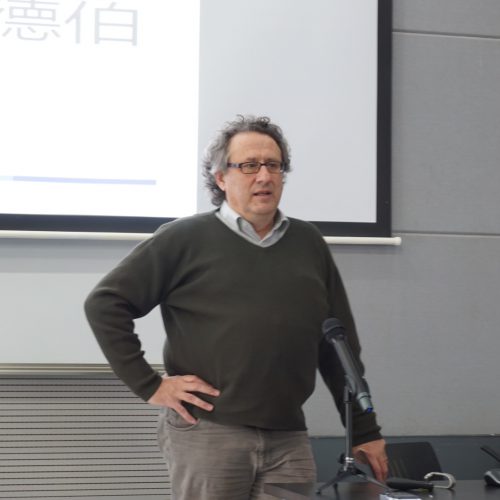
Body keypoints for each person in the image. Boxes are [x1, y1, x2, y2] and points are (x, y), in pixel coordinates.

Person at [84, 115, 388, 499]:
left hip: (288, 437)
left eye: (273, 165)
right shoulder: (184, 238)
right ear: (220, 178)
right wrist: (151, 385)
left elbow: (339, 346)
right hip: (209, 432)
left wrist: (364, 430)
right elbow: (105, 303)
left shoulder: (308, 242)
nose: (264, 176)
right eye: (248, 165)